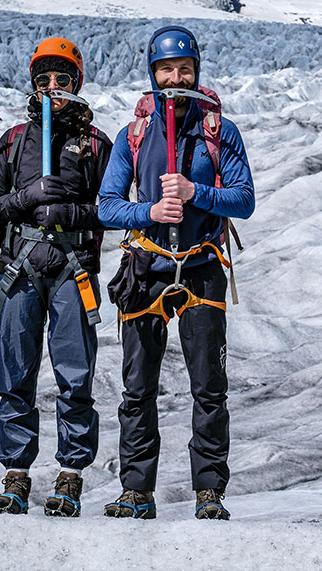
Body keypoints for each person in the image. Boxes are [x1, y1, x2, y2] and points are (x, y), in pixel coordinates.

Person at [98, 26, 254, 520]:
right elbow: (106, 206)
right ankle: (136, 490)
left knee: (209, 386)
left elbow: (244, 200)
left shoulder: (218, 131)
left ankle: (209, 491)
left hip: (203, 265)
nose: (175, 77)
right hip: (145, 267)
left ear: (196, 71)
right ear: (153, 73)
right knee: (137, 388)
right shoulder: (135, 134)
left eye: (184, 69)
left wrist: (194, 193)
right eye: (166, 70)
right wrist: (149, 213)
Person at [0, 37, 111, 517]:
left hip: (71, 270)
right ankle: (16, 473)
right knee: (14, 373)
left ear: (76, 83)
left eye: (62, 79)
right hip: (20, 269)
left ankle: (71, 474)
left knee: (74, 376)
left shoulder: (96, 144)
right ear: (33, 85)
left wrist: (71, 211)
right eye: (44, 80)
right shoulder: (15, 140)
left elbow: (113, 207)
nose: (53, 87)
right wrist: (25, 199)